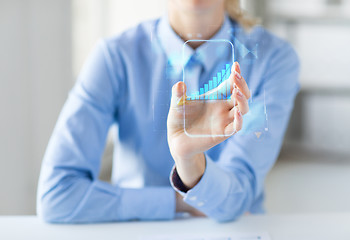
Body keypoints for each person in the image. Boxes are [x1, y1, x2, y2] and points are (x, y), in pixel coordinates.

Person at [37, 0, 299, 223]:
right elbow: (56, 196)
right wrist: (179, 202)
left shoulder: (273, 58)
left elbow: (235, 199)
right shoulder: (115, 57)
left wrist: (190, 161)